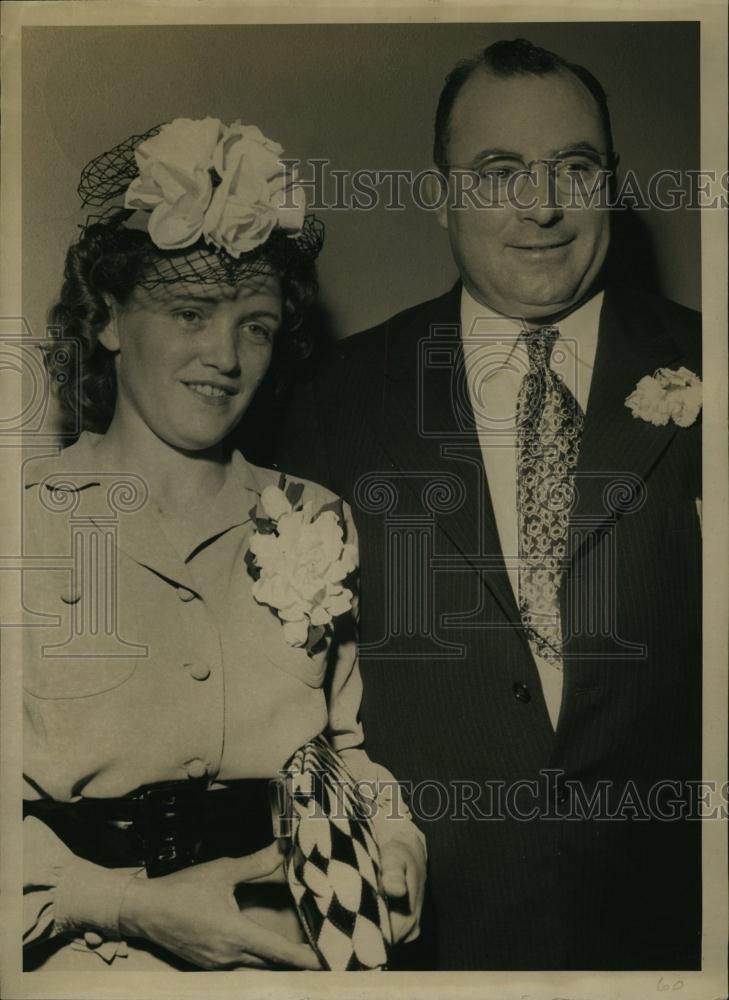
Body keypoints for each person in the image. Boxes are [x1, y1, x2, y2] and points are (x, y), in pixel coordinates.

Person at [277, 39, 702, 970]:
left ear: (611, 185)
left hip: (676, 938)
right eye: (497, 172)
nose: (540, 206)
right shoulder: (327, 402)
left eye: (572, 169)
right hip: (427, 946)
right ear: (438, 196)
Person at [21, 117, 425, 972]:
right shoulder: (26, 525)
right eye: (190, 312)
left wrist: (393, 840)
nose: (226, 356)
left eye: (256, 325)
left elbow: (341, 754)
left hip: (291, 954)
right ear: (107, 319)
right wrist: (127, 905)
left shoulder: (312, 516)